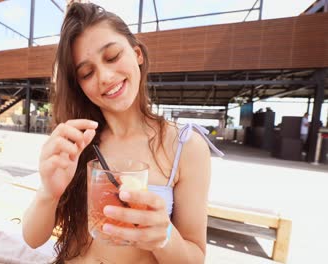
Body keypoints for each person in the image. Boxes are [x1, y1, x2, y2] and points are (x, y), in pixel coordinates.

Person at [22, 3, 223, 263]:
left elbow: (194, 258)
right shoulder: (80, 140)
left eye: (113, 56)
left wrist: (164, 236)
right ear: (79, 85)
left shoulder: (186, 146)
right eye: (87, 72)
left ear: (137, 54)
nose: (105, 76)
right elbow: (32, 238)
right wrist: (49, 192)